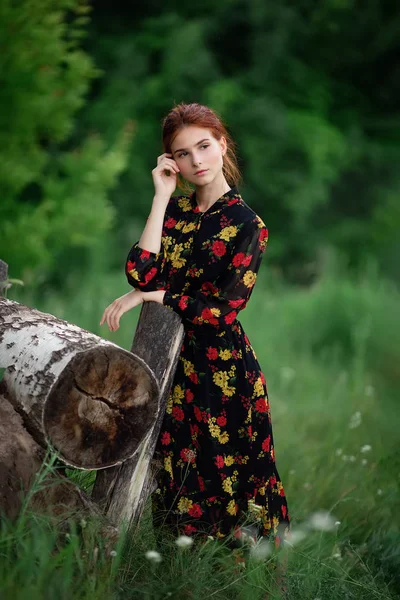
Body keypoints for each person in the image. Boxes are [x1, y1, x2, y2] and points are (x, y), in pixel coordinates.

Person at [100, 102, 290, 549]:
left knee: (228, 479)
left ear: (222, 145)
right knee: (172, 475)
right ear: (171, 161)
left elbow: (223, 309)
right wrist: (161, 197)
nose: (196, 161)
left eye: (204, 146)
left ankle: (255, 577)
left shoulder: (247, 224)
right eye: (183, 154)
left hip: (221, 373)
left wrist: (156, 295)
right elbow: (142, 271)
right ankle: (177, 571)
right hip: (167, 365)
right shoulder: (177, 212)